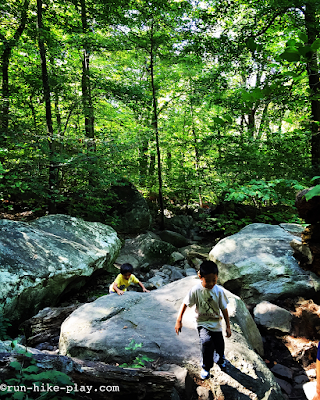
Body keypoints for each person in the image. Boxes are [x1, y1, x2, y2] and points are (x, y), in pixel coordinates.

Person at [175, 260, 231, 380]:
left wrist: (228, 326)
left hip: (216, 323)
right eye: (208, 280)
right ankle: (206, 366)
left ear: (217, 277)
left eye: (214, 280)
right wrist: (179, 320)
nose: (211, 283)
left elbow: (224, 309)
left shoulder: (219, 291)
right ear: (200, 276)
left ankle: (220, 357)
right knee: (206, 342)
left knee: (219, 344)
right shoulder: (196, 290)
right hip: (202, 323)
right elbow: (185, 303)